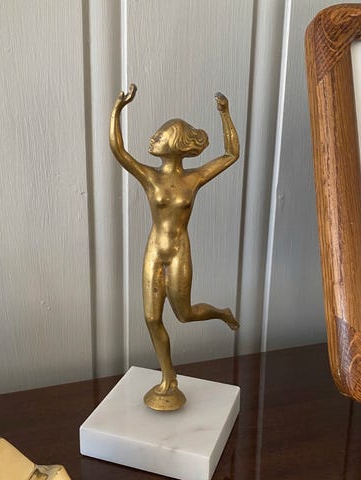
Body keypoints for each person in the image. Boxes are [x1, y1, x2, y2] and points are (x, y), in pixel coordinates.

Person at [109, 84, 240, 410]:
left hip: (179, 251)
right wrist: (118, 109)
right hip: (155, 251)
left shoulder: (193, 179)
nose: (153, 139)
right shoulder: (149, 177)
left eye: (161, 135)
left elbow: (231, 154)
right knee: (151, 318)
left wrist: (225, 114)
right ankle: (168, 377)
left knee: (184, 314)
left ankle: (221, 313)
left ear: (177, 144)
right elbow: (119, 150)